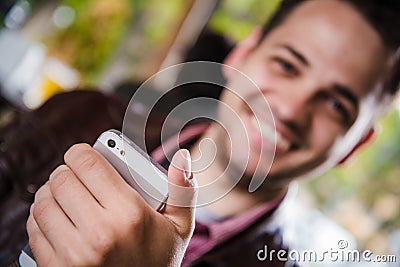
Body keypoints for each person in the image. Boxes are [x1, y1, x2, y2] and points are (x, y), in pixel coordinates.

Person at [25, 0, 399, 266]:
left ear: (356, 146)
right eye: (286, 64)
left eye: (336, 106)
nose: (289, 110)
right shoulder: (75, 116)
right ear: (240, 56)